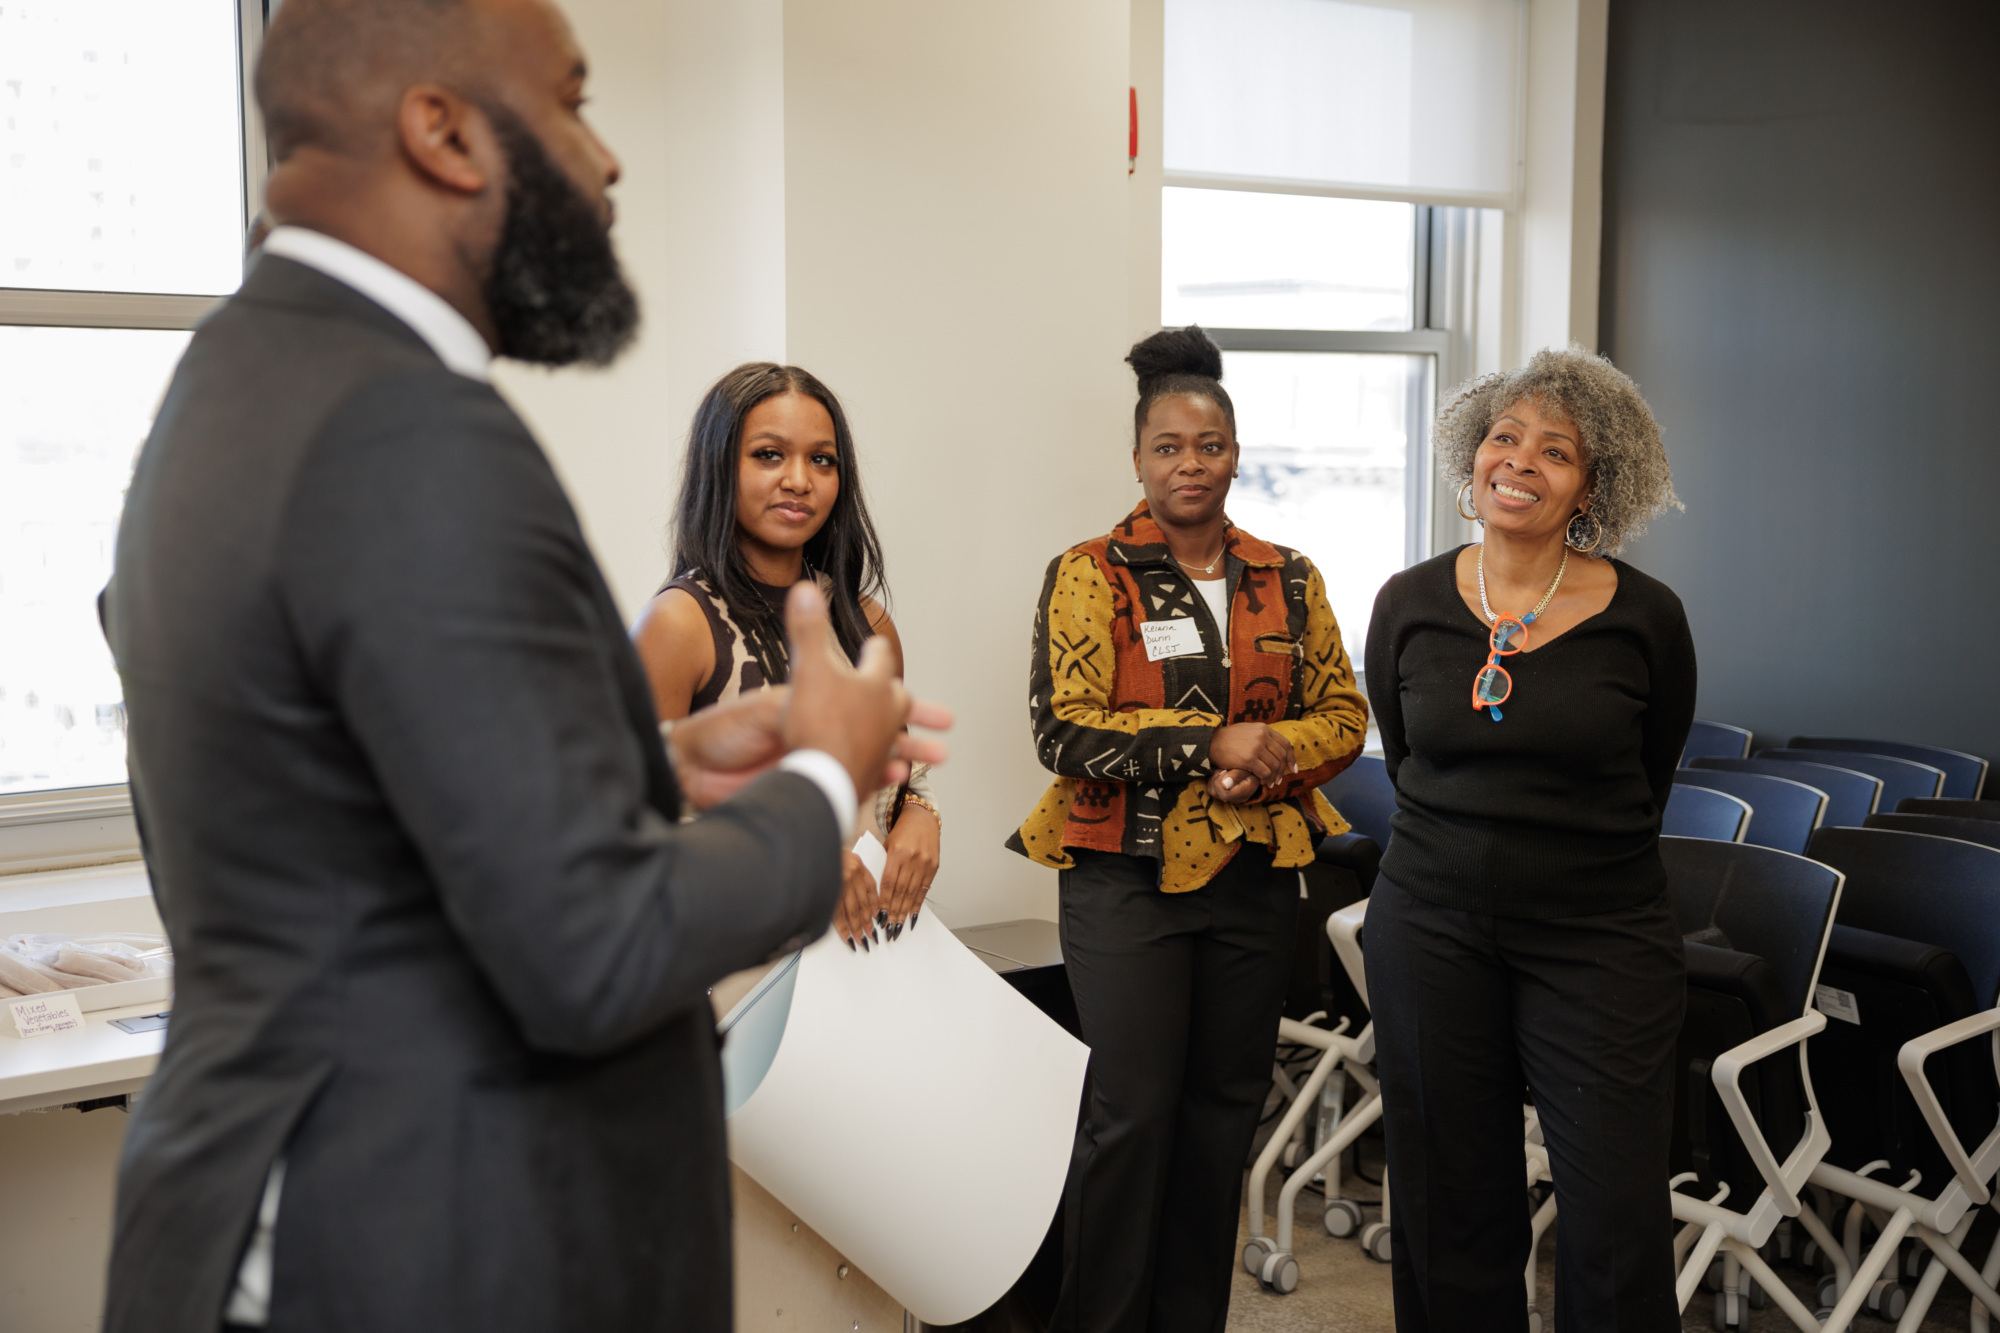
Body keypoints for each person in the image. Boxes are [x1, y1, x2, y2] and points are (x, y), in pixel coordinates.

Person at [95, 1, 945, 1330]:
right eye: (573, 101)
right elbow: (591, 949)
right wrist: (827, 780)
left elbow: (344, 793)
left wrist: (652, 759)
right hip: (418, 1237)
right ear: (440, 130)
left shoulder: (243, 373)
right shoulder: (406, 429)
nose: (605, 163)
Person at [1008, 326, 1369, 1333]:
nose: (1188, 464)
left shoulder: (1284, 576)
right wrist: (1215, 740)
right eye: (1167, 446)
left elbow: (1341, 716)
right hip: (1121, 877)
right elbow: (1065, 727)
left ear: (1234, 453)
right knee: (1131, 1117)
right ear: (1136, 457)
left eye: (1206, 446)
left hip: (1252, 883)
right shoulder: (1092, 572)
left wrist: (1273, 753)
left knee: (1220, 1121)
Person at [1362, 347, 1694, 1331]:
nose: (1519, 460)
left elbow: (1653, 773)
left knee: (1614, 1213)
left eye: (1555, 450)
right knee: (1444, 1195)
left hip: (1598, 936)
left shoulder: (1645, 618)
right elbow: (1407, 759)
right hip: (1429, 925)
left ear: (1592, 485)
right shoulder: (1409, 602)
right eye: (1503, 437)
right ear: (1473, 456)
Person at [633, 363, 942, 948]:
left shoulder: (865, 621)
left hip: (869, 957)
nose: (799, 479)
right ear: (720, 464)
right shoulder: (680, 622)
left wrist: (922, 818)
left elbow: (900, 776)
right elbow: (636, 828)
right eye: (769, 455)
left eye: (821, 460)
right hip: (737, 960)